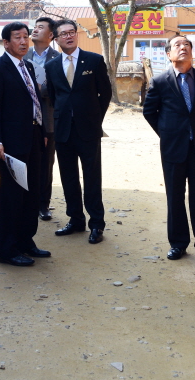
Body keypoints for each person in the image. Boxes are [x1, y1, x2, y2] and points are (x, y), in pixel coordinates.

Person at [142, 35, 195, 264]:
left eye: (187, 45)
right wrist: (168, 133)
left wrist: (194, 130)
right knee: (175, 197)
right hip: (173, 148)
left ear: (192, 52)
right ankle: (178, 244)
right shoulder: (160, 81)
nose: (183, 47)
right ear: (168, 54)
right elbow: (149, 112)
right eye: (177, 45)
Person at [0, 21, 50, 266]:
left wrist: (42, 131)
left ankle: (26, 241)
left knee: (32, 192)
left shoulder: (29, 67)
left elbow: (35, 102)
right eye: (17, 37)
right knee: (13, 195)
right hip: (10, 143)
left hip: (34, 138)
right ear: (6, 42)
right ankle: (8, 250)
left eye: (26, 36)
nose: (24, 41)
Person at [44, 18, 112, 244]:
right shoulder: (51, 66)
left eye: (72, 32)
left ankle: (96, 224)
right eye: (63, 34)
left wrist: (95, 119)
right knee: (68, 176)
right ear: (56, 39)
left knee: (92, 177)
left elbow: (105, 93)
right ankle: (75, 219)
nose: (69, 36)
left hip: (89, 130)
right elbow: (54, 97)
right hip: (63, 130)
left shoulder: (94, 60)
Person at [24, 17, 60, 221]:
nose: (35, 30)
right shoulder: (22, 54)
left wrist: (40, 89)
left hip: (48, 119)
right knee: (25, 160)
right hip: (23, 118)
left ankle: (43, 204)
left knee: (46, 163)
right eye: (34, 27)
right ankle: (25, 201)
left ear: (51, 35)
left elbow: (59, 87)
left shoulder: (58, 58)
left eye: (40, 28)